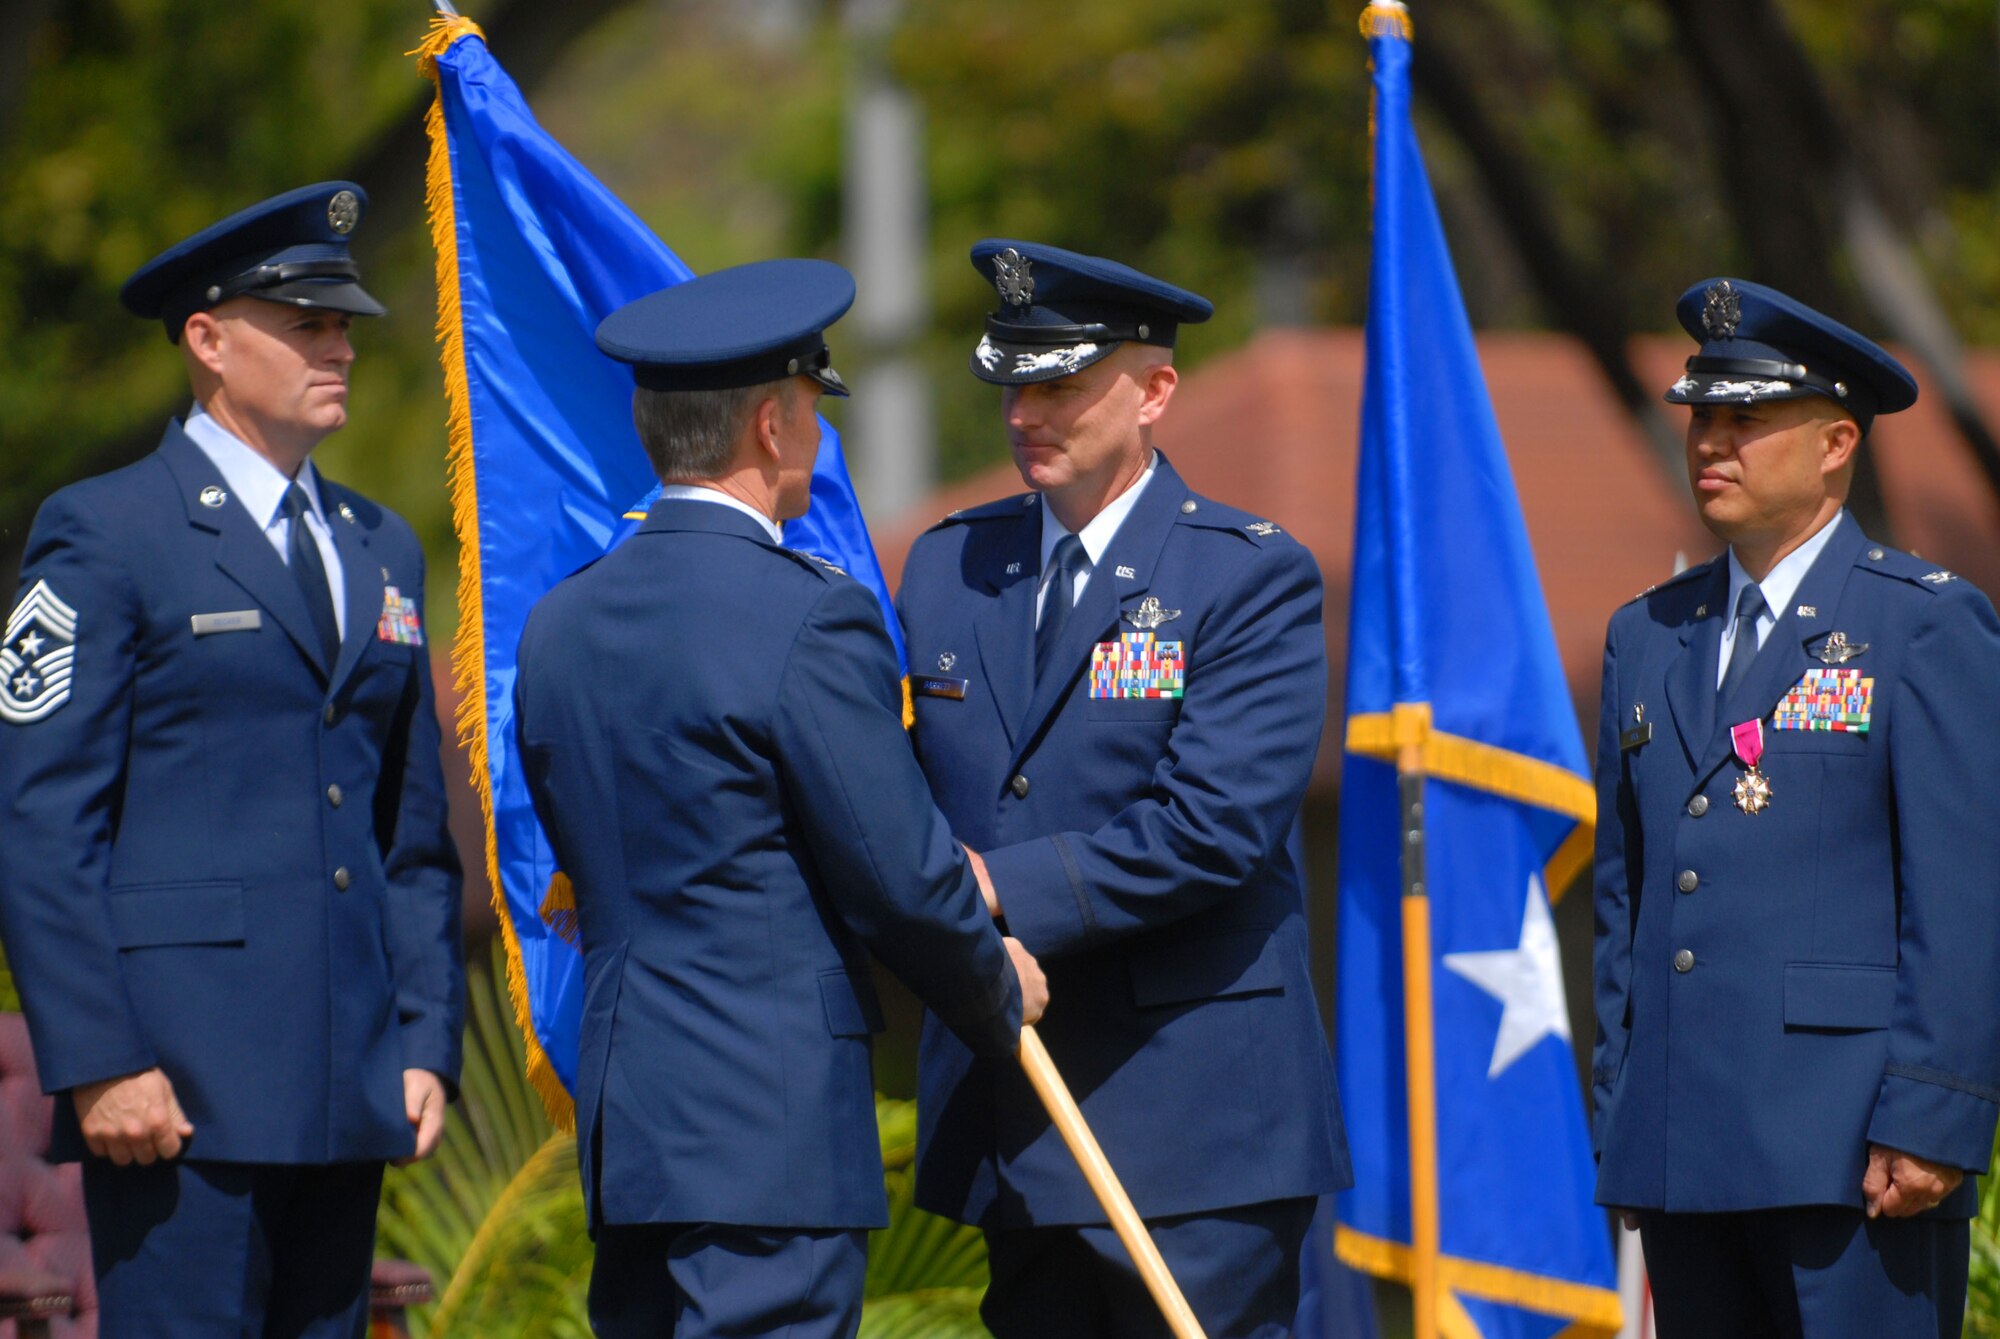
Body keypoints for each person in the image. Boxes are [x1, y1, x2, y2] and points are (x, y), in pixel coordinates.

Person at [512, 257, 1048, 1339]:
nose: (816, 434)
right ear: (768, 425)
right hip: (767, 1118)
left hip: (636, 1118)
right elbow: (893, 867)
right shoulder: (807, 616)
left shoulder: (560, 621)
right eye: (811, 408)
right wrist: (993, 985)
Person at [0, 182, 465, 1336]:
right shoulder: (106, 530)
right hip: (177, 1087)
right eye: (306, 324)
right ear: (207, 341)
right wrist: (100, 1059)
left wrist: (426, 1036)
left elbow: (408, 832)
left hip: (351, 1076)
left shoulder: (377, 542)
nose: (340, 347)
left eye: (344, 324)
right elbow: (40, 819)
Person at [896, 240, 1347, 1338]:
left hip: (1193, 1122)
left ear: (1153, 390)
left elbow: (1212, 829)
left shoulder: (1243, 576)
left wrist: (981, 889)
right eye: (1011, 381)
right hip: (1016, 1102)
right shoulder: (946, 566)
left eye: (1059, 383)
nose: (1024, 412)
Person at [1592, 277, 2000, 1336]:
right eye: (1699, 418)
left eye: (1744, 419)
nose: (1709, 444)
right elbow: (1623, 899)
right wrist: (1621, 1115)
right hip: (1681, 1148)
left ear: (1833, 443)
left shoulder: (1919, 626)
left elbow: (1961, 898)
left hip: (1851, 1150)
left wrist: (1930, 1119)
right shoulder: (1646, 634)